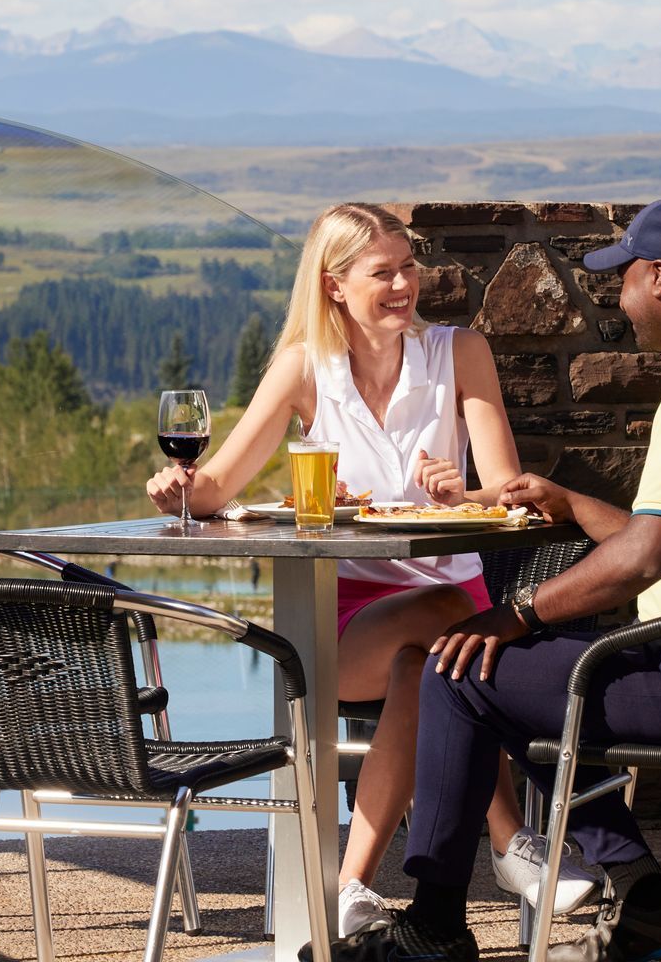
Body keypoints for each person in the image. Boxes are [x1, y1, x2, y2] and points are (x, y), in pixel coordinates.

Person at [321, 196, 661, 962]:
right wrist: (575, 504)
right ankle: (649, 902)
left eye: (622, 279)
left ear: (659, 277)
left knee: (462, 668)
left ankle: (431, 927)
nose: (618, 300)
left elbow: (644, 560)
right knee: (521, 676)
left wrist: (514, 615)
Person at [145, 202, 600, 936]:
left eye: (409, 268)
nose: (403, 286)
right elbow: (217, 487)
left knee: (428, 663)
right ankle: (514, 841)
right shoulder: (304, 369)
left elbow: (510, 492)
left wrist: (464, 491)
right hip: (347, 620)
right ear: (333, 285)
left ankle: (351, 885)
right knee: (451, 634)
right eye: (381, 272)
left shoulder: (460, 353)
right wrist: (177, 488)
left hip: (449, 622)